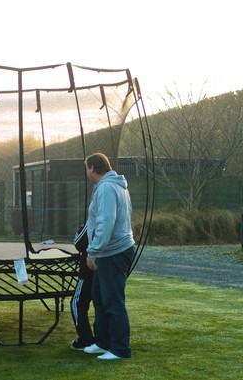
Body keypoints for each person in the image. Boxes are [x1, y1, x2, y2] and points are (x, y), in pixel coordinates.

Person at [83, 153, 136, 360]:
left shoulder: (106, 188)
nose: (87, 172)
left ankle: (120, 349)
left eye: (87, 168)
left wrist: (93, 251)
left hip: (113, 252)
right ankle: (103, 342)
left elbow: (106, 222)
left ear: (93, 168)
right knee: (100, 298)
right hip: (111, 251)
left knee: (113, 302)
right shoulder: (114, 185)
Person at [69, 223, 95, 350]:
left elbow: (79, 242)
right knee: (102, 303)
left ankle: (85, 340)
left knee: (77, 303)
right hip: (105, 267)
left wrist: (80, 229)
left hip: (88, 270)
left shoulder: (94, 218)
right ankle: (103, 339)